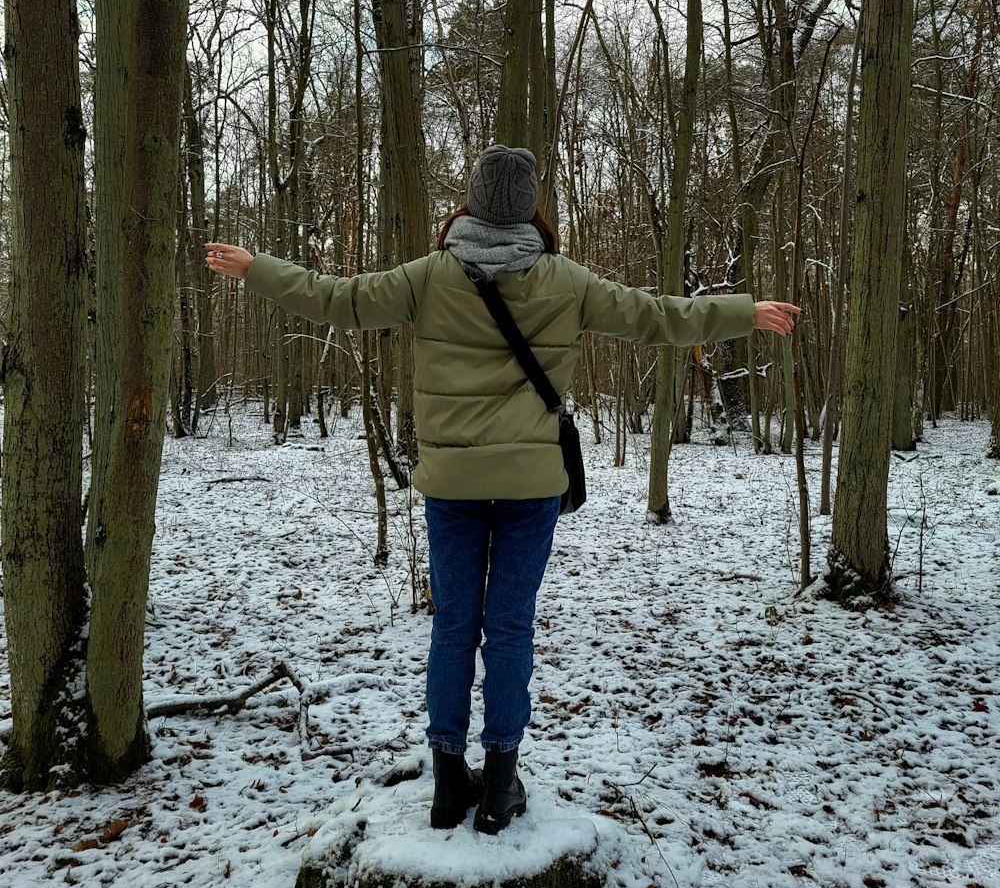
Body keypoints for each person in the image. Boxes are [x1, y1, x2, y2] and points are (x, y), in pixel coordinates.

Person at [206, 145, 799, 835]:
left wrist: (257, 269)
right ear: (530, 208)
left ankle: (446, 781)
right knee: (510, 624)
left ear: (471, 201)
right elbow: (655, 316)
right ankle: (501, 781)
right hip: (529, 485)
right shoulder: (565, 281)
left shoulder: (428, 276)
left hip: (452, 483)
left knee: (455, 623)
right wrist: (741, 311)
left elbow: (338, 299)